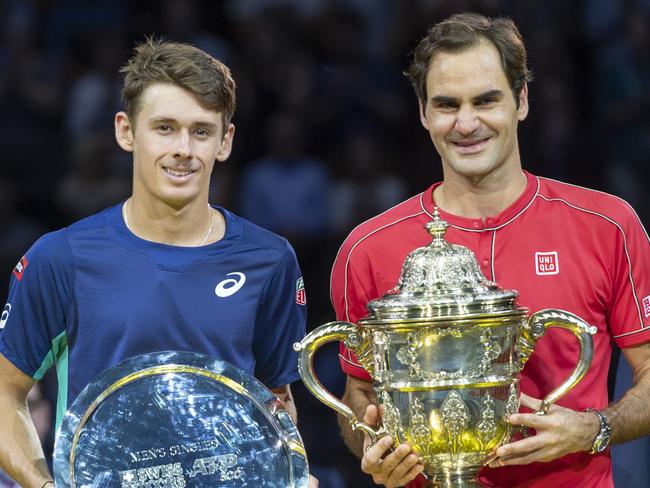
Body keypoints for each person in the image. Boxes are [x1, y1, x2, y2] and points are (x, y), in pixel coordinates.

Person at [330, 12, 650, 488]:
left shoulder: (607, 225)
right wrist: (373, 444)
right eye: (446, 104)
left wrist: (593, 428)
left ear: (521, 101)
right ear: (423, 112)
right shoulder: (368, 247)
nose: (466, 123)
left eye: (486, 100)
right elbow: (358, 390)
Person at [0, 38, 317, 488]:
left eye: (201, 131)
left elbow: (275, 401)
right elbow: (4, 392)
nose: (183, 149)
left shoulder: (270, 259)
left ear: (225, 141)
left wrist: (287, 473)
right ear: (126, 131)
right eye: (164, 128)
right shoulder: (61, 257)